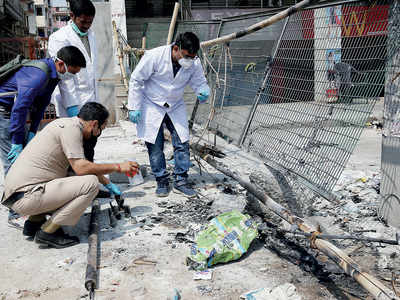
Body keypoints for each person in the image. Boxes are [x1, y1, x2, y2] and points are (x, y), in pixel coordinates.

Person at [1, 102, 139, 248]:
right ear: (94, 124)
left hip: (18, 194)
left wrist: (106, 183)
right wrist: (118, 167)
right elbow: (81, 168)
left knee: (73, 179)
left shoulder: (65, 124)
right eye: (101, 129)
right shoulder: (72, 130)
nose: (99, 134)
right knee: (90, 184)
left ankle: (34, 223)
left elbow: (79, 168)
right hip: (26, 196)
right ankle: (47, 232)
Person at [48, 0, 120, 198]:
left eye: (90, 22)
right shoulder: (58, 38)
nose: (87, 26)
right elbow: (64, 78)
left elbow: (91, 70)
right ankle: (75, 189)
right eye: (83, 22)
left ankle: (90, 186)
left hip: (90, 97)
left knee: (89, 145)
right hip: (73, 99)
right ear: (71, 16)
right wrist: (72, 108)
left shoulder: (92, 35)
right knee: (72, 149)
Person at [0, 45, 86, 212]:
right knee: (13, 160)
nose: (72, 76)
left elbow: (41, 105)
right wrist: (17, 142)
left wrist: (33, 131)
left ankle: (29, 202)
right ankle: (15, 210)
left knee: (25, 159)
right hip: (4, 112)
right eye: (72, 72)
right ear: (61, 64)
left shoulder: (52, 76)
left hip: (15, 113)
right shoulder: (38, 75)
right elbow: (20, 107)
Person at [127, 32, 210, 198]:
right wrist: (133, 107)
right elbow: (136, 80)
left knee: (182, 142)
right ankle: (162, 180)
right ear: (176, 48)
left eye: (193, 57)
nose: (190, 60)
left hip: (175, 104)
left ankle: (181, 180)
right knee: (155, 145)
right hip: (152, 104)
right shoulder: (154, 56)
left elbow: (199, 81)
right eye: (187, 56)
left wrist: (202, 91)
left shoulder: (193, 62)